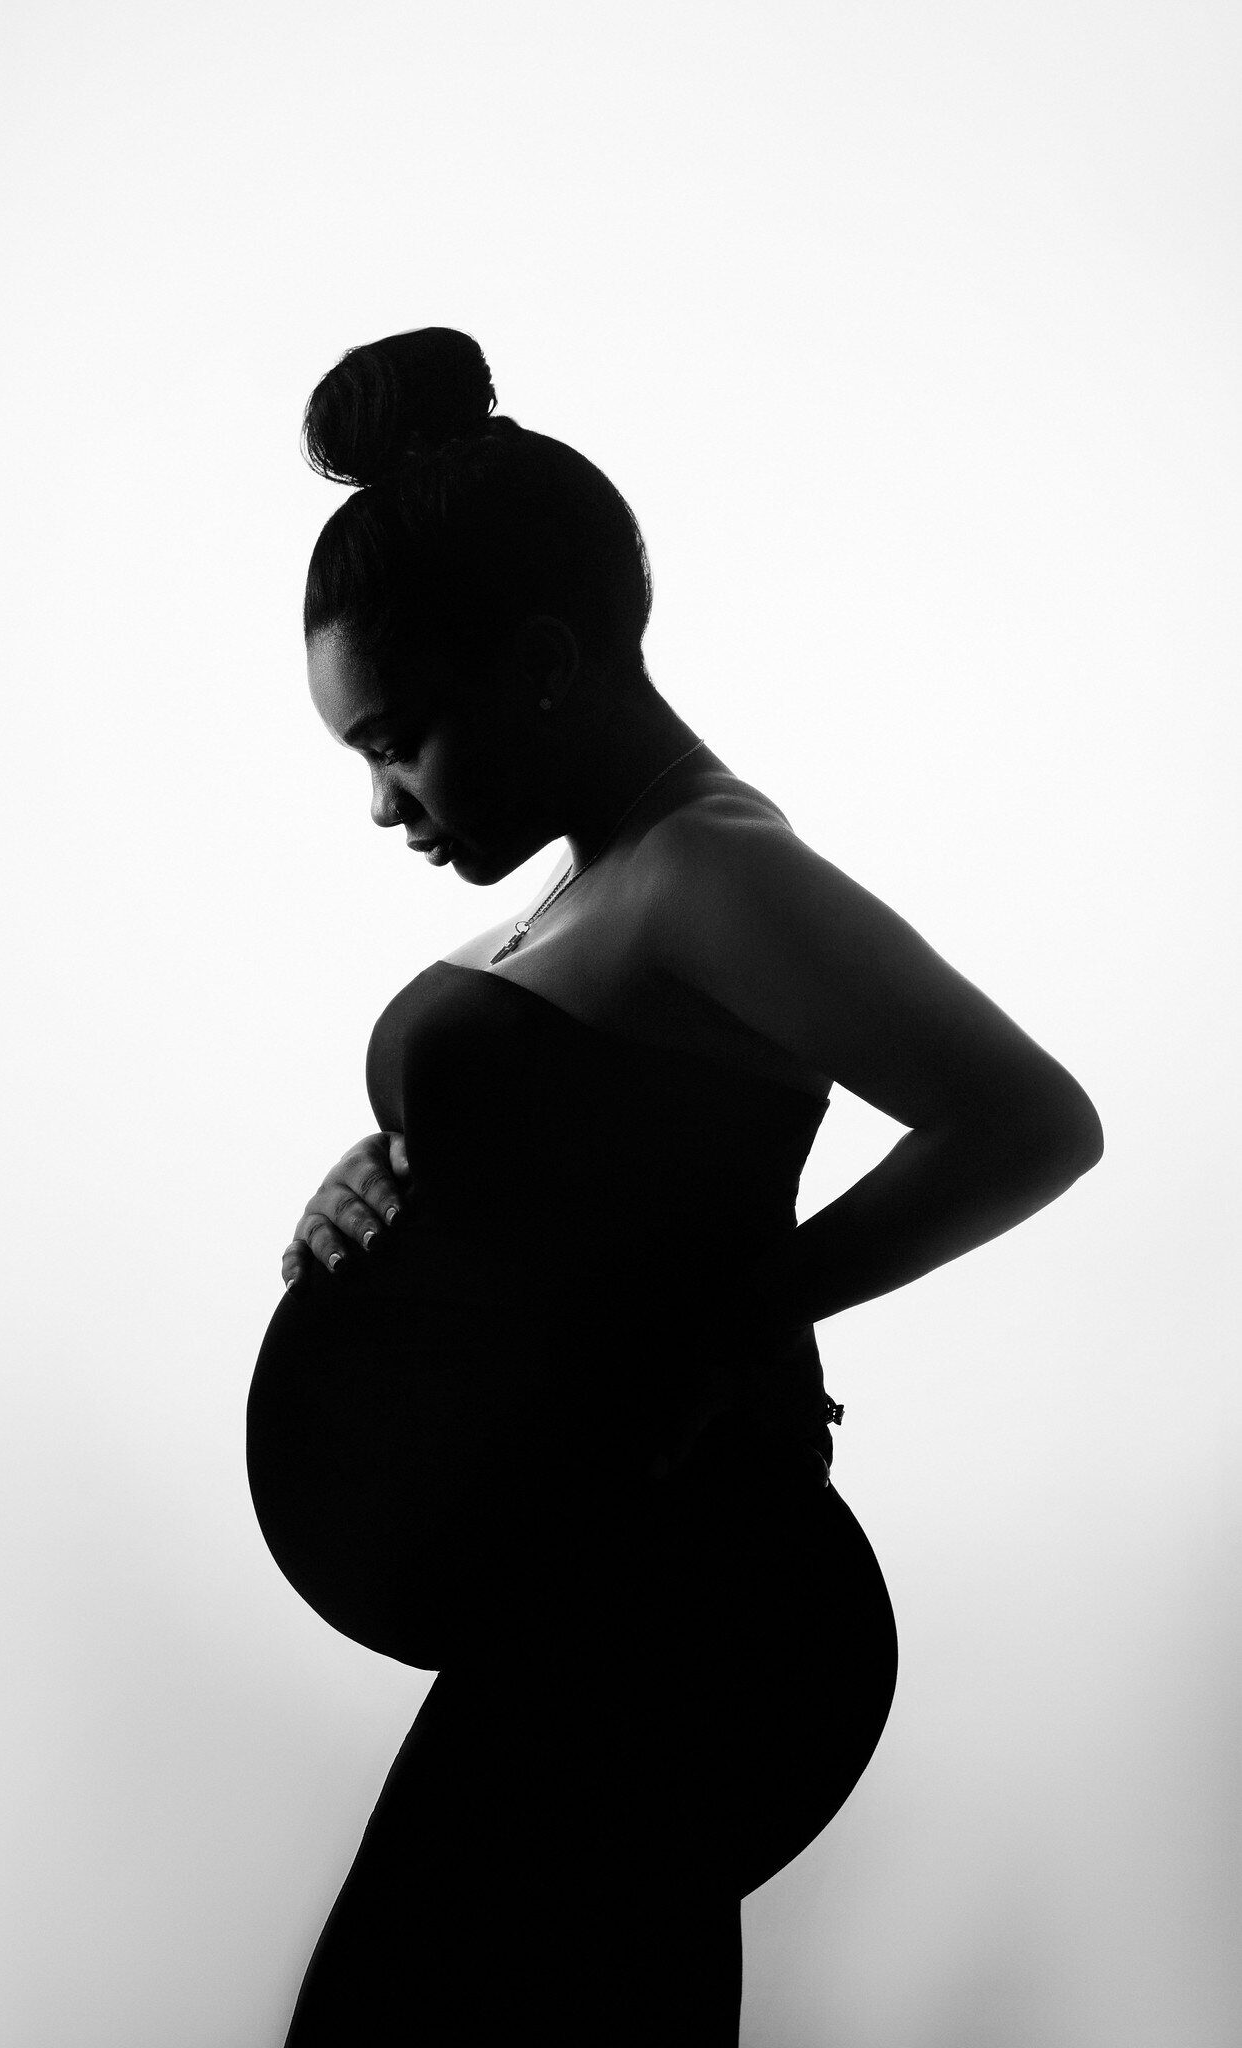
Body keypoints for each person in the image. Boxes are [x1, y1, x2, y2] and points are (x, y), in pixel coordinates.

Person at [246, 327, 1103, 2045]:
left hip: (684, 1599)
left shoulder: (711, 869)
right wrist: (395, 1172)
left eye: (397, 737)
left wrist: (734, 1307)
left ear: (546, 664)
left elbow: (1025, 1120)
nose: (378, 799)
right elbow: (585, 1150)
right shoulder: (600, 883)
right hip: (578, 1590)